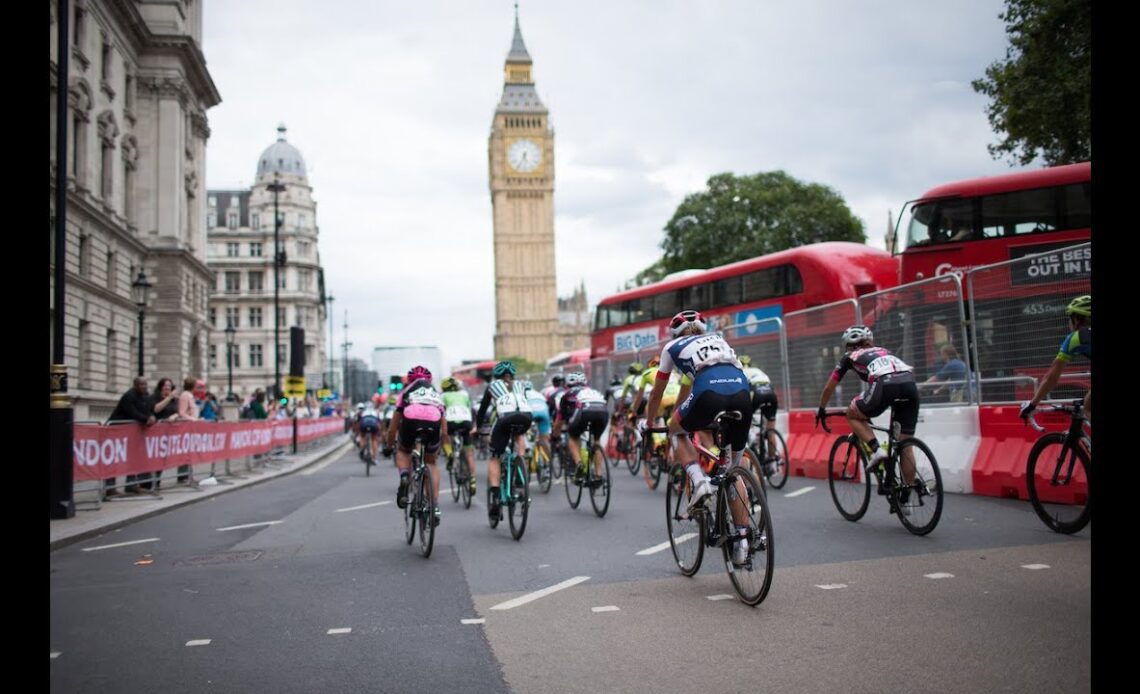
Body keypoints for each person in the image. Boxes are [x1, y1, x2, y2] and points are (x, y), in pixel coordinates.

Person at [644, 310, 754, 565]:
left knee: (676, 429)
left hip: (708, 393)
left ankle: (698, 479)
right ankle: (742, 541)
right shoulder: (720, 340)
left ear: (675, 332)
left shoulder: (672, 347)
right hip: (741, 394)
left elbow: (656, 394)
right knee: (734, 470)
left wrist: (648, 423)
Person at [814, 325, 920, 516]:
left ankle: (877, 450)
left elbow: (830, 386)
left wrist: (821, 408)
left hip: (885, 384)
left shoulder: (849, 356)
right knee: (905, 444)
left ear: (849, 345)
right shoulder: (883, 351)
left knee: (852, 413)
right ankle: (906, 498)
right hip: (910, 384)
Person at [382, 366, 447, 527]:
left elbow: (393, 427)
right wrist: (442, 448)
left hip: (411, 418)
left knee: (403, 450)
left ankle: (404, 476)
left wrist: (389, 446)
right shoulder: (436, 394)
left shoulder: (406, 392)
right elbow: (445, 430)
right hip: (434, 420)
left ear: (409, 381)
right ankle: (434, 506)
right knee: (431, 463)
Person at [475, 361, 533, 522]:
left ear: (497, 375)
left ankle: (494, 496)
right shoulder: (520, 384)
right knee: (519, 436)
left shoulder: (492, 386)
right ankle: (520, 466)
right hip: (526, 417)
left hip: (505, 419)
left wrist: (479, 427)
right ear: (512, 375)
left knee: (495, 457)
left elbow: (482, 411)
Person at [1020, 295, 1092, 423]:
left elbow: (1051, 377)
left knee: (1088, 409)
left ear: (1077, 319)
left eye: (1070, 319)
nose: (1069, 323)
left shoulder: (1076, 338)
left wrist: (1032, 404)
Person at [554, 371, 610, 487]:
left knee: (573, 437)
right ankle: (599, 474)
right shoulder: (593, 391)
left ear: (568, 384)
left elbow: (559, 421)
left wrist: (555, 435)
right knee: (597, 440)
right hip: (603, 412)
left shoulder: (567, 394)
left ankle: (579, 463)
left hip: (585, 411)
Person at [104, 376, 157, 496]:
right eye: (141, 385)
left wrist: (151, 416)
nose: (144, 387)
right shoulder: (129, 396)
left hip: (131, 432)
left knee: (133, 457)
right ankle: (110, 488)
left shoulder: (145, 396)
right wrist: (146, 419)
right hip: (116, 431)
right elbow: (132, 412)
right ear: (135, 385)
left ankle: (131, 485)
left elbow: (147, 409)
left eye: (145, 384)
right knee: (114, 458)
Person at [739, 354, 781, 475]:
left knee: (745, 419)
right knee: (770, 430)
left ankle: (751, 436)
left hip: (756, 394)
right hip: (771, 395)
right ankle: (772, 461)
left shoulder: (741, 372)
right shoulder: (758, 370)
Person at [441, 377, 478, 496]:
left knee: (445, 436)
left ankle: (450, 454)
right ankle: (472, 479)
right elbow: (469, 408)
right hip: (466, 422)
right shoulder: (464, 394)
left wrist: (442, 430)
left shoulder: (443, 396)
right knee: (469, 453)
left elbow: (441, 412)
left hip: (451, 422)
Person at [358, 395, 384, 464]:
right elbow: (379, 423)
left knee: (362, 436)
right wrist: (379, 432)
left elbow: (359, 422)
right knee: (374, 439)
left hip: (364, 425)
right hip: (373, 426)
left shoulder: (362, 412)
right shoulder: (376, 412)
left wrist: (360, 432)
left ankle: (362, 447)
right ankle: (374, 457)